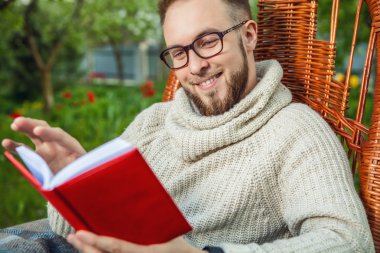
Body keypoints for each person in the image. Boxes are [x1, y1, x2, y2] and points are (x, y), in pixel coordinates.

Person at [2, 0, 375, 252]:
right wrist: (78, 185)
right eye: (179, 52)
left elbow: (349, 241)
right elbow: (73, 238)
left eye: (208, 42)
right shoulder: (153, 122)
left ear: (249, 36)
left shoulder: (295, 131)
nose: (195, 66)